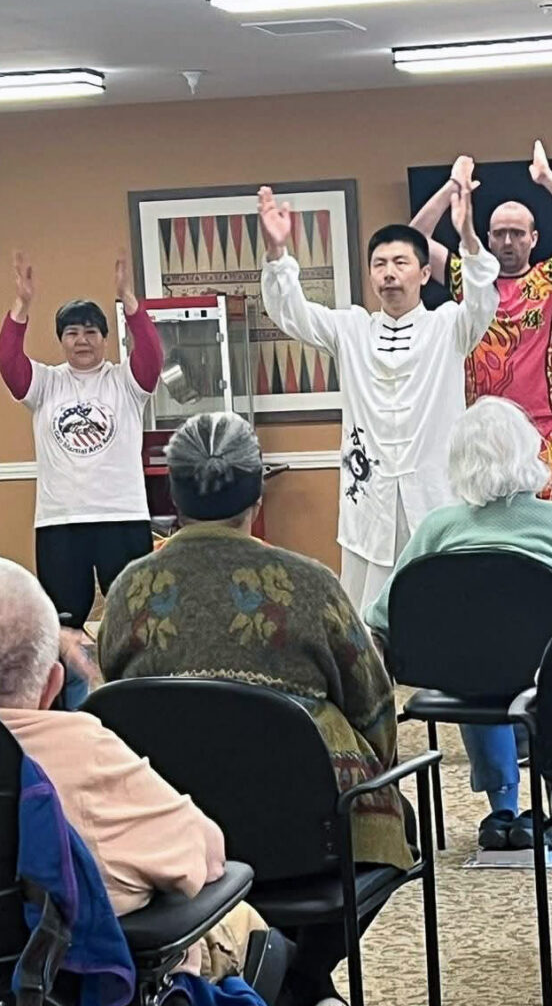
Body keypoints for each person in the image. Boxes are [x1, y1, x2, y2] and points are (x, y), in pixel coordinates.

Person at [98, 411, 413, 1006]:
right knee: (397, 823)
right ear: (257, 492)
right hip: (308, 835)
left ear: (173, 495)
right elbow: (374, 711)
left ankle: (276, 968)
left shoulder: (127, 592)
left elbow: (111, 708)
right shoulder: (311, 584)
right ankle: (300, 974)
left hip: (168, 830)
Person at [366, 396, 552, 849]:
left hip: (464, 682)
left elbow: (380, 616)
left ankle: (502, 811)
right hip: (547, 680)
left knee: (476, 655)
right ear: (529, 451)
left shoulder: (438, 527)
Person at [260, 177, 499, 617]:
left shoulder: (449, 326)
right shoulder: (352, 329)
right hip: (370, 505)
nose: (389, 272)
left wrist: (467, 238)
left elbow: (483, 299)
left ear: (424, 274)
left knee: (443, 610)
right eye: (379, 264)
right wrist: (278, 254)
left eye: (400, 262)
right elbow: (291, 314)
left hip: (435, 498)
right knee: (365, 614)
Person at [0, 556, 230, 974]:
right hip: (63, 986)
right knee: (248, 934)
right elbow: (210, 855)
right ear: (53, 685)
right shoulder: (83, 751)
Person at [0, 251, 163, 705]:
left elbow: (152, 356)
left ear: (105, 339)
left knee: (136, 619)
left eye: (91, 331)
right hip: (61, 523)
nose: (82, 339)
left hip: (122, 517)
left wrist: (129, 300)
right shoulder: (46, 384)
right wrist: (21, 305)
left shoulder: (126, 383)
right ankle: (65, 708)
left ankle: (139, 701)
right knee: (62, 627)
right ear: (62, 341)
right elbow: (9, 362)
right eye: (72, 332)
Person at [411, 142, 552, 503]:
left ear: (534, 238)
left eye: (517, 232)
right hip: (482, 430)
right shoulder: (468, 280)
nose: (508, 241)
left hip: (544, 427)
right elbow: (414, 239)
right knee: (484, 523)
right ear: (487, 238)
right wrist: (452, 187)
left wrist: (546, 178)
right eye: (499, 233)